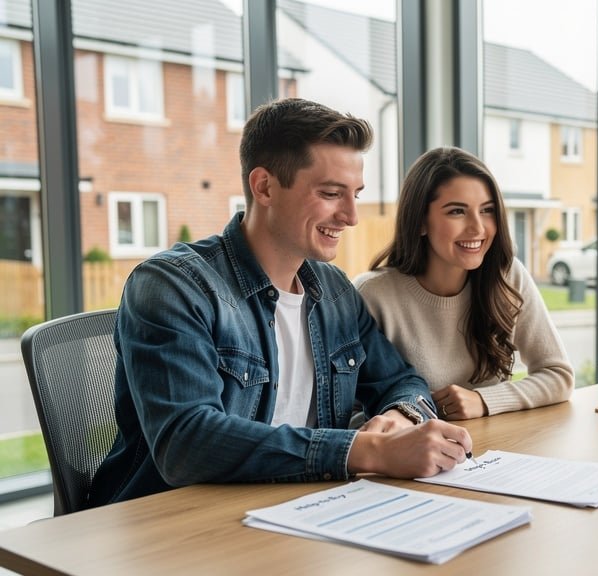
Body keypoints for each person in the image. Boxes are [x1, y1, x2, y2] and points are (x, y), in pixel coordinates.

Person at [88, 98, 472, 507]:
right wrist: (367, 451)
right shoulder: (173, 286)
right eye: (330, 193)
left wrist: (400, 419)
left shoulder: (335, 292)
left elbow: (401, 382)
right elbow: (187, 443)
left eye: (355, 194)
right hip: (174, 525)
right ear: (265, 187)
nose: (351, 216)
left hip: (299, 511)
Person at [353, 147, 573, 420]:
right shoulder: (373, 295)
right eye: (457, 211)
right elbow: (350, 412)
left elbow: (558, 375)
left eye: (487, 210)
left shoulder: (506, 276)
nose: (478, 228)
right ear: (420, 221)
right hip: (416, 456)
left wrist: (483, 400)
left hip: (496, 450)